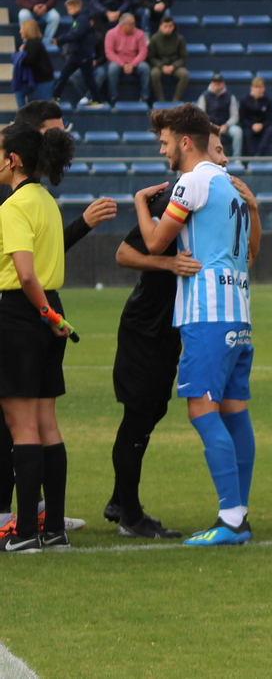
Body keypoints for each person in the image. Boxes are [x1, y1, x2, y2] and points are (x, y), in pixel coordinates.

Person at [134, 104, 261, 546]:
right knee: (235, 413)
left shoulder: (193, 181)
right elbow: (249, 255)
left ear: (186, 142)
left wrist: (138, 204)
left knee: (202, 410)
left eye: (166, 142)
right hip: (239, 313)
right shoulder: (229, 184)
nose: (163, 150)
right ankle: (239, 512)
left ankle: (231, 521)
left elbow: (153, 242)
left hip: (206, 315)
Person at [106, 129, 225, 540]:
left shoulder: (213, 195)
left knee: (151, 411)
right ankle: (130, 516)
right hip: (146, 326)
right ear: (199, 146)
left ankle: (121, 500)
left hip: (172, 324)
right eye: (220, 149)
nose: (225, 158)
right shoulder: (173, 196)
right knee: (139, 415)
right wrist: (169, 264)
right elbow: (124, 253)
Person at [0, 123, 80, 552]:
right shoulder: (47, 200)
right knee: (47, 422)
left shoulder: (13, 207)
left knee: (21, 423)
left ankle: (25, 530)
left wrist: (44, 313)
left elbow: (24, 272)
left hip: (21, 313)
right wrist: (53, 314)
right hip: (52, 310)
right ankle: (54, 530)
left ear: (13, 160)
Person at [98, 13, 150, 106]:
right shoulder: (111, 33)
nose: (133, 26)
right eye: (131, 24)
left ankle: (145, 98)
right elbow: (109, 53)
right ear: (122, 25)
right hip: (118, 62)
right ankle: (113, 97)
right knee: (112, 68)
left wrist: (132, 64)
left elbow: (143, 52)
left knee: (145, 67)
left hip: (134, 62)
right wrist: (122, 64)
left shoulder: (140, 33)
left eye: (134, 23)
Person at [52, 0, 97, 104]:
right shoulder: (79, 19)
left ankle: (97, 100)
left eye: (70, 9)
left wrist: (59, 39)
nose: (68, 12)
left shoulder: (83, 19)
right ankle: (55, 96)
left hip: (83, 54)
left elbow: (77, 34)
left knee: (88, 78)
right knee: (64, 74)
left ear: (78, 7)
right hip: (77, 53)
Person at [148, 17, 190, 103]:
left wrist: (174, 66)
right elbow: (151, 57)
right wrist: (161, 66)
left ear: (173, 27)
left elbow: (184, 58)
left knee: (184, 74)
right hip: (160, 66)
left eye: (170, 26)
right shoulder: (154, 39)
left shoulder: (179, 39)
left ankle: (176, 99)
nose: (168, 29)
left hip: (174, 66)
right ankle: (161, 100)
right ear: (160, 27)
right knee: (154, 73)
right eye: (165, 26)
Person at [12, 20, 52, 109]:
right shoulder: (32, 43)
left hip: (43, 80)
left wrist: (21, 53)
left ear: (27, 30)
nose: (20, 31)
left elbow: (28, 61)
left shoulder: (34, 44)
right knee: (19, 93)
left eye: (22, 29)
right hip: (36, 80)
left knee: (48, 106)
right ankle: (23, 118)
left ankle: (64, 123)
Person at [202, 74, 243, 158]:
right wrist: (211, 126)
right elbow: (201, 115)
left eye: (219, 82)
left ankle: (237, 159)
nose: (217, 84)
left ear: (223, 84)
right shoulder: (204, 96)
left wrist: (226, 125)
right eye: (215, 82)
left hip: (226, 127)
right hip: (210, 127)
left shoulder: (230, 97)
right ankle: (207, 159)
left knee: (237, 132)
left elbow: (235, 116)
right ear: (211, 83)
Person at [240, 77, 272, 156]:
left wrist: (262, 125)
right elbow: (243, 118)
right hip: (249, 126)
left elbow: (269, 119)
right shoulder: (244, 100)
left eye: (260, 87)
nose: (258, 90)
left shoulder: (268, 100)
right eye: (256, 87)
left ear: (264, 88)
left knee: (269, 131)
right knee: (247, 133)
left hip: (263, 127)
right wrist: (251, 125)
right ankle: (252, 156)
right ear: (251, 88)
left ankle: (259, 155)